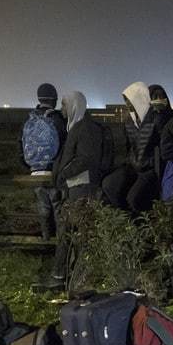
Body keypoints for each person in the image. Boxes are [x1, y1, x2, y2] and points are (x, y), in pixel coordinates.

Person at [37, 91, 107, 291]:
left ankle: (73, 279)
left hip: (82, 188)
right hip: (74, 187)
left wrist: (63, 174)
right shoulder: (76, 127)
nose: (62, 109)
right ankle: (67, 277)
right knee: (68, 232)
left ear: (74, 106)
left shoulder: (85, 129)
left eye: (65, 105)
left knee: (76, 234)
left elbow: (85, 159)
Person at [119, 82, 173, 212]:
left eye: (160, 97)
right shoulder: (133, 120)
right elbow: (131, 146)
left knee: (135, 198)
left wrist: (159, 114)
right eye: (154, 97)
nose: (158, 100)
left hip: (155, 168)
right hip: (137, 166)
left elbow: (163, 144)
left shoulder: (164, 118)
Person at [22, 83, 67, 241]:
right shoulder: (57, 119)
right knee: (57, 207)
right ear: (54, 99)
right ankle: (60, 243)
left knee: (43, 207)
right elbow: (64, 143)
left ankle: (46, 238)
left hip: (35, 171)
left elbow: (21, 145)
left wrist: (30, 165)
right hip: (53, 170)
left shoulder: (30, 119)